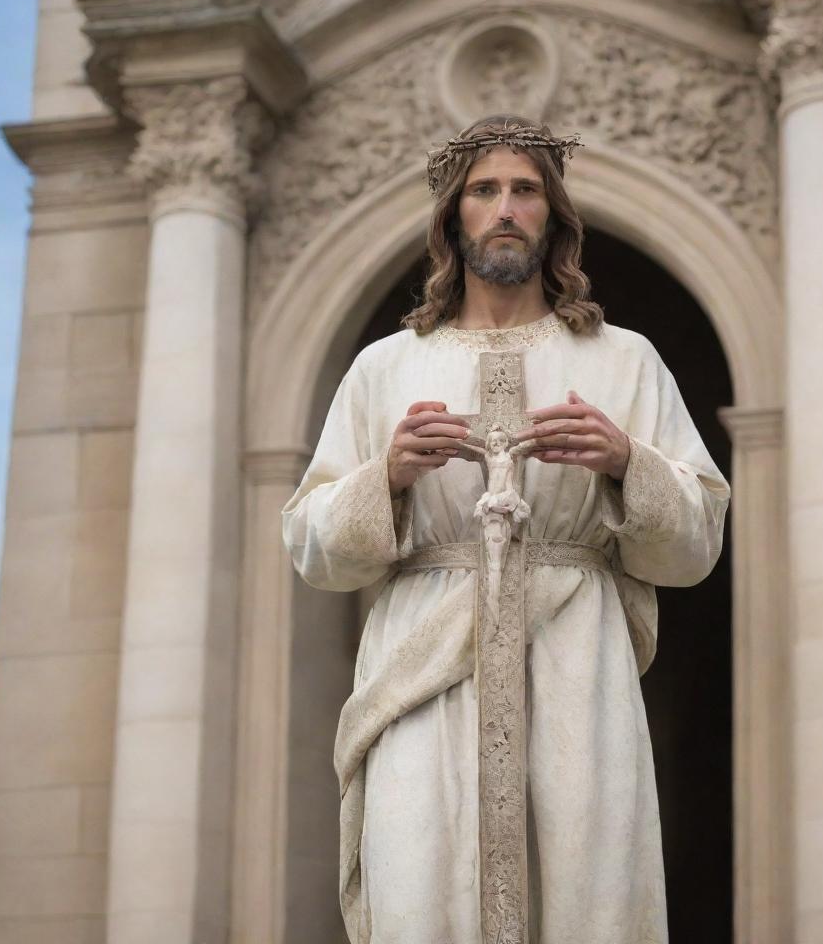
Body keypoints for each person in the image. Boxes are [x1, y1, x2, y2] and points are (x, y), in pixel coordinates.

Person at [282, 114, 731, 944]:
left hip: (578, 669)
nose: (504, 208)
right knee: (420, 894)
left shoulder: (623, 360)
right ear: (453, 215)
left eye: (525, 191)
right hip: (423, 672)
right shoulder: (386, 368)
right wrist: (386, 477)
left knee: (590, 894)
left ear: (554, 215)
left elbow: (697, 542)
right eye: (484, 191)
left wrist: (628, 460)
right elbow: (311, 546)